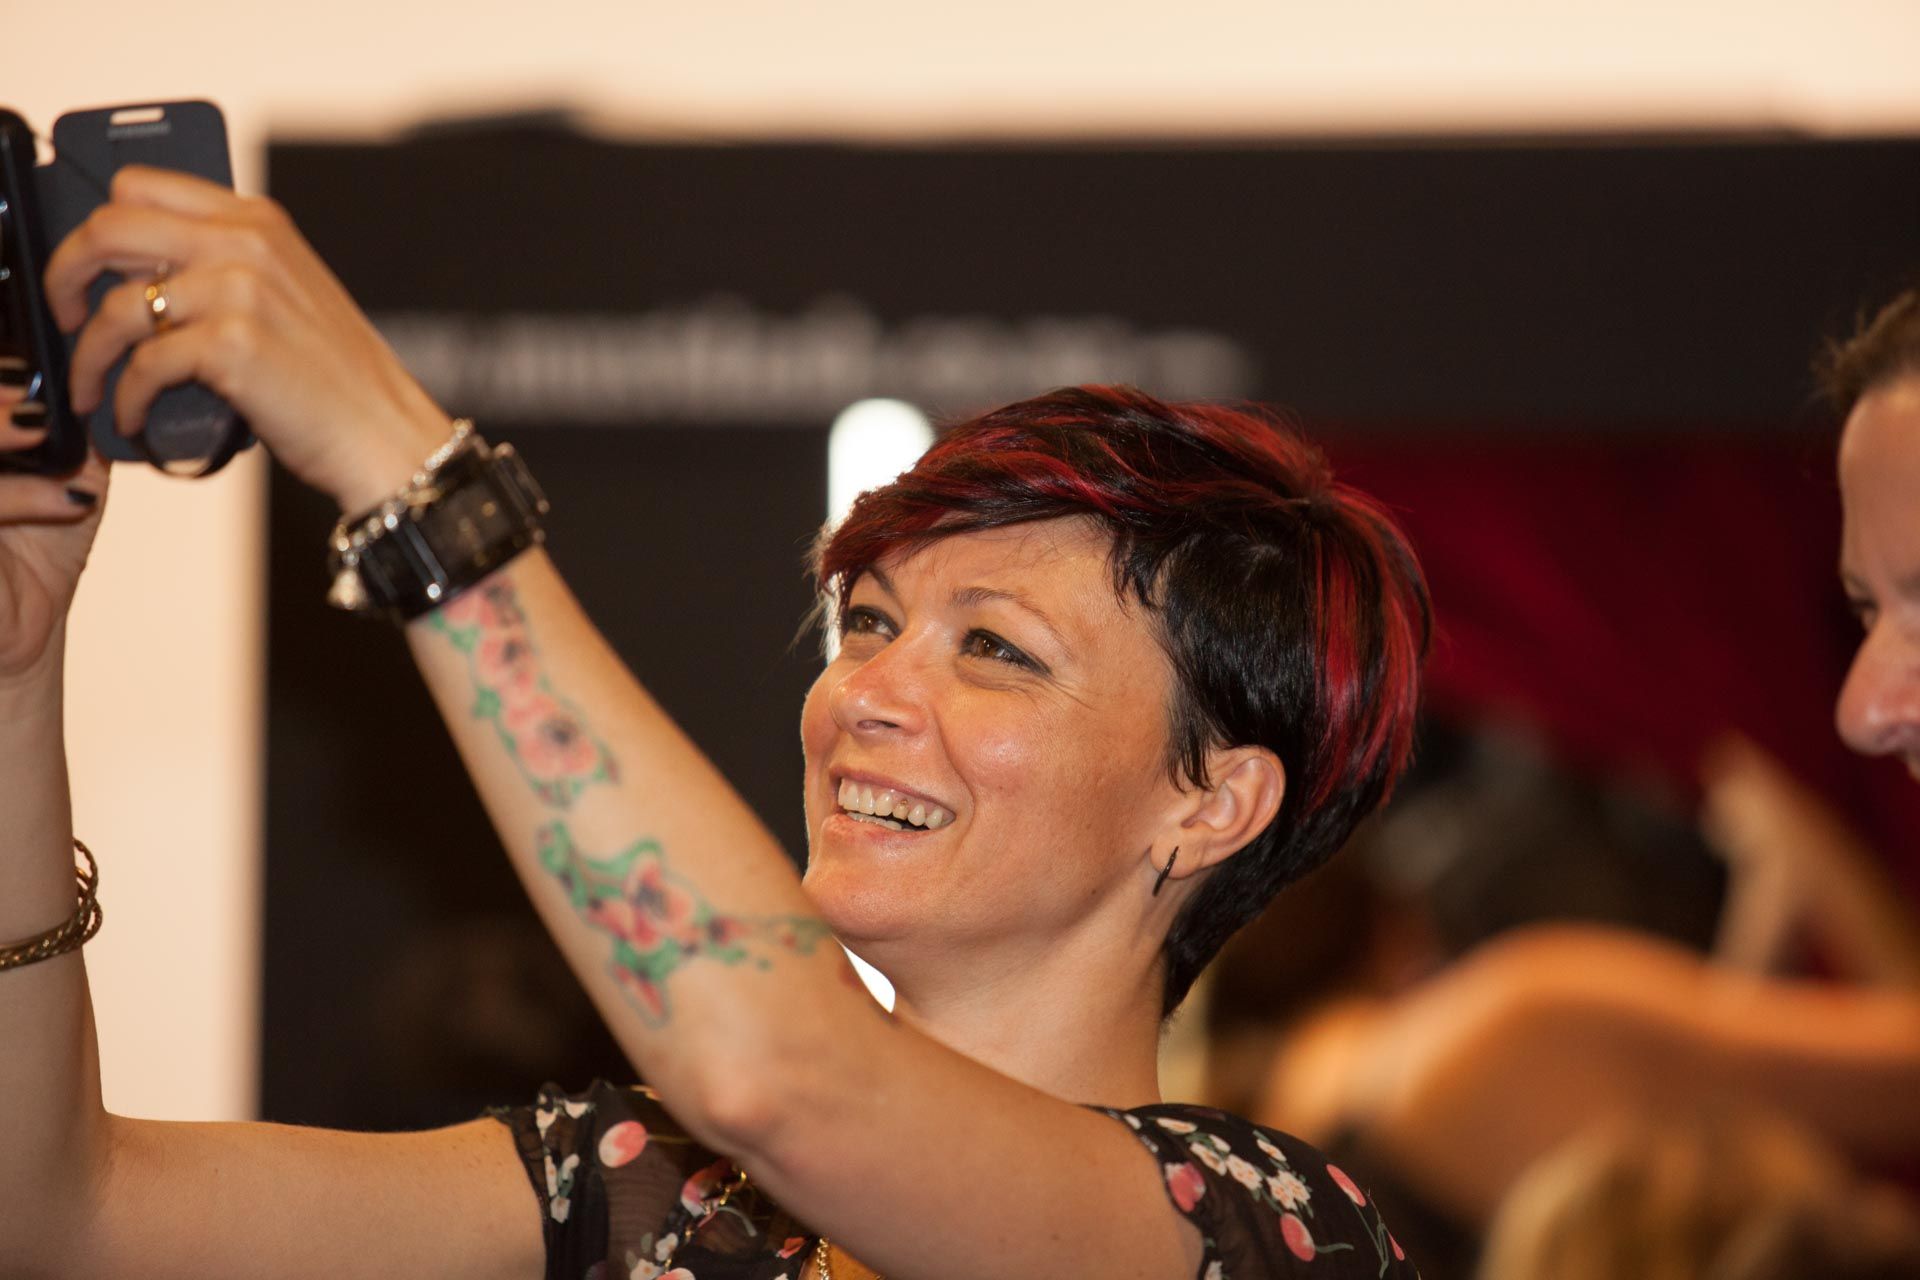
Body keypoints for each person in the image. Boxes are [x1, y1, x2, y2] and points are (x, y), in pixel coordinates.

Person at [0, 167, 1427, 1278]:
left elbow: (785, 1082)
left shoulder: (1270, 1229)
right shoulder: (660, 1193)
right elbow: (65, 1219)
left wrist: (402, 469)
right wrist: (19, 661)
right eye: (867, 623)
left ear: (1212, 800)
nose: (867, 694)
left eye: (995, 650)